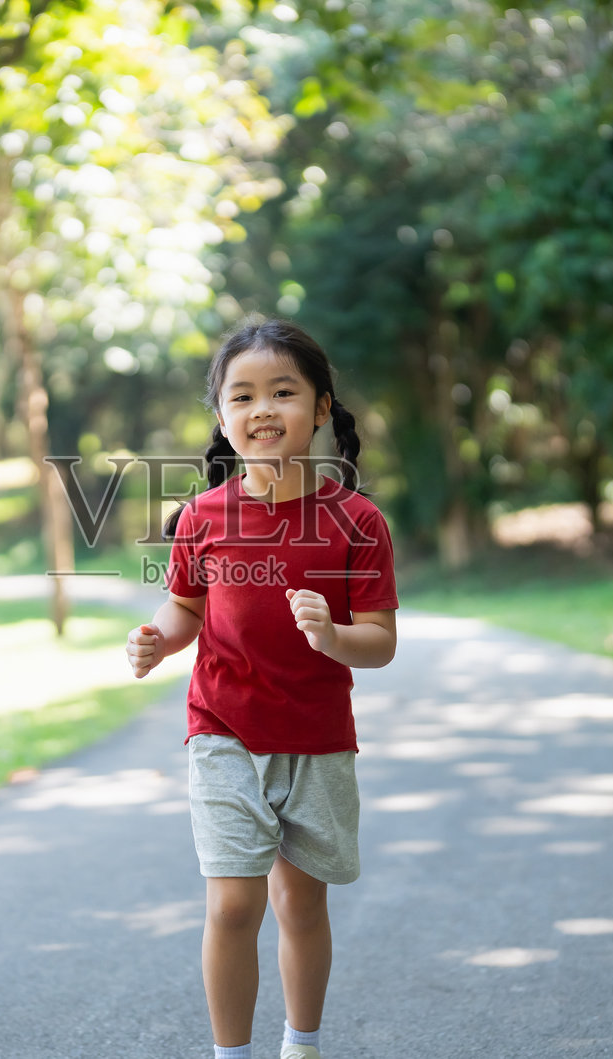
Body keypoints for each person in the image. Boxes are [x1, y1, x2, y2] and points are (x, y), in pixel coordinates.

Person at [125, 316, 398, 1059]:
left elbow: (381, 640)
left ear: (320, 407)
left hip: (315, 737)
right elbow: (183, 607)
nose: (262, 409)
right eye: (241, 395)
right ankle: (231, 1054)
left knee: (301, 902)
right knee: (234, 902)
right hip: (224, 732)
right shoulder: (202, 517)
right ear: (222, 417)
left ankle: (300, 1044)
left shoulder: (357, 521)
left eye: (283, 390)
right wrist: (157, 639)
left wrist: (334, 638)